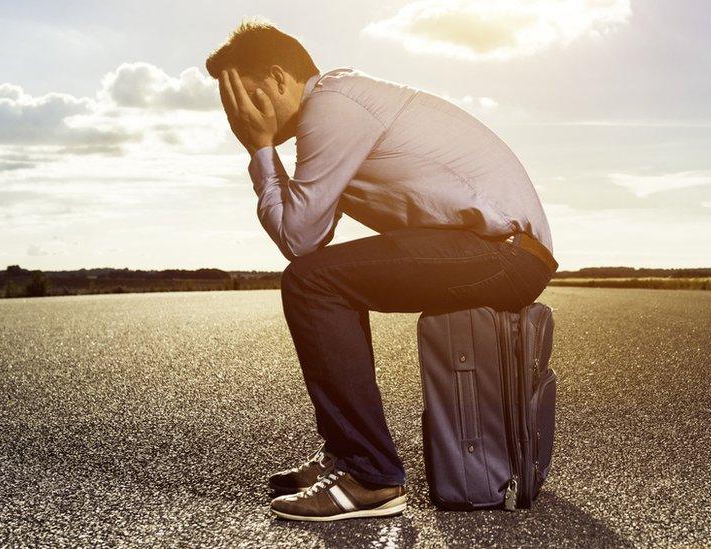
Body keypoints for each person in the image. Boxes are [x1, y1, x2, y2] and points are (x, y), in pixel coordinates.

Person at [205, 17, 558, 522]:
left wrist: (260, 149)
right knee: (318, 278)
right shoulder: (336, 109)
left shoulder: (332, 105)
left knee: (312, 284)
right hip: (495, 249)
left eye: (244, 93)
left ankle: (370, 477)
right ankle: (349, 457)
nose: (239, 111)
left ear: (281, 78)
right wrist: (267, 152)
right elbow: (310, 235)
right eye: (229, 102)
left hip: (504, 252)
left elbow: (299, 240)